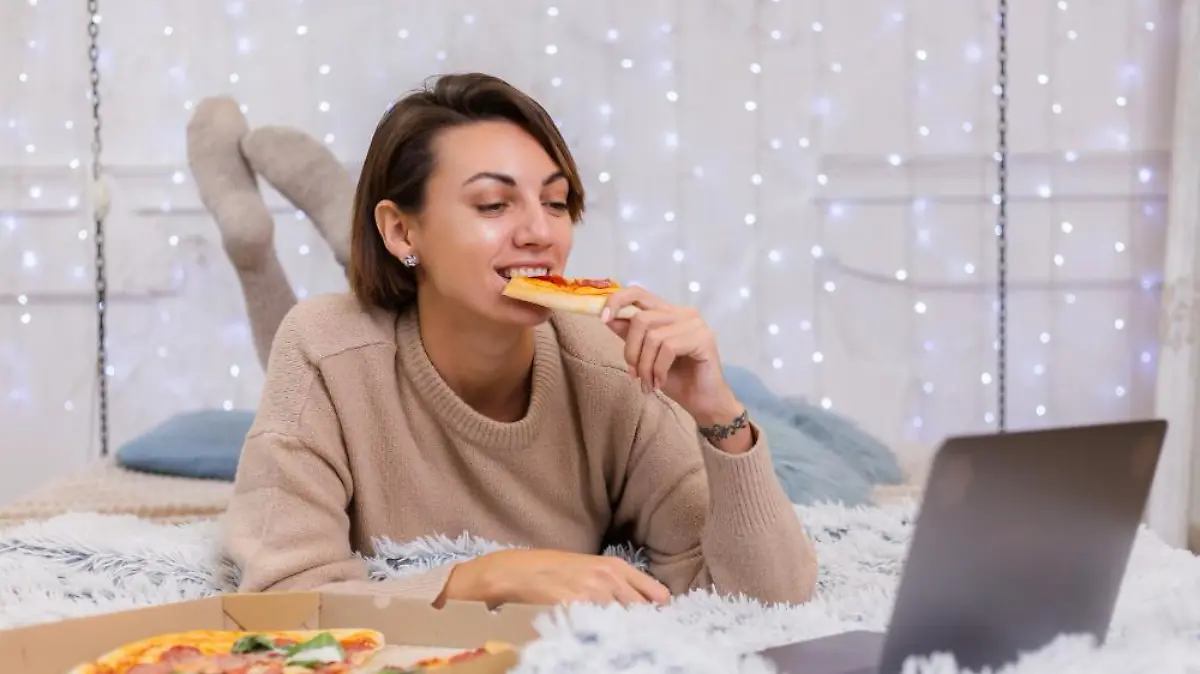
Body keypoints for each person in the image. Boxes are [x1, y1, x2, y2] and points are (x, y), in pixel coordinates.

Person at [222, 72, 818, 608]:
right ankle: (268, 245)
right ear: (401, 228)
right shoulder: (324, 348)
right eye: (493, 203)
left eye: (556, 203)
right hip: (372, 319)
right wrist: (489, 577)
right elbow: (282, 596)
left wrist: (721, 416)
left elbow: (766, 601)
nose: (539, 232)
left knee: (819, 455)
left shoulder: (612, 364)